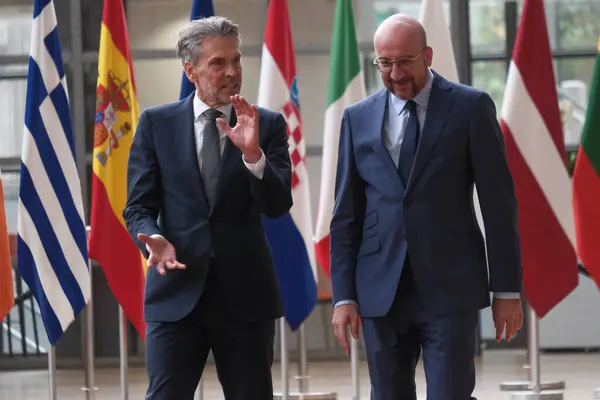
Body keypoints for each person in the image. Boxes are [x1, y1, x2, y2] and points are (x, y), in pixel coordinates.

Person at [329, 14, 524, 400]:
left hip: (450, 287)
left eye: (405, 61)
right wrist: (344, 296)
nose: (396, 73)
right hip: (380, 290)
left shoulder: (470, 107)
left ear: (428, 56)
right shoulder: (357, 117)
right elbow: (346, 213)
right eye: (385, 63)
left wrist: (506, 289)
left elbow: (499, 205)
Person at [123, 16, 292, 400]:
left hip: (246, 297)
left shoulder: (267, 125)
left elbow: (279, 204)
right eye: (218, 63)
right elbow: (138, 206)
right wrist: (154, 239)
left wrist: (254, 157)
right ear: (191, 70)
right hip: (176, 290)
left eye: (236, 60)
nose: (231, 71)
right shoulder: (156, 124)